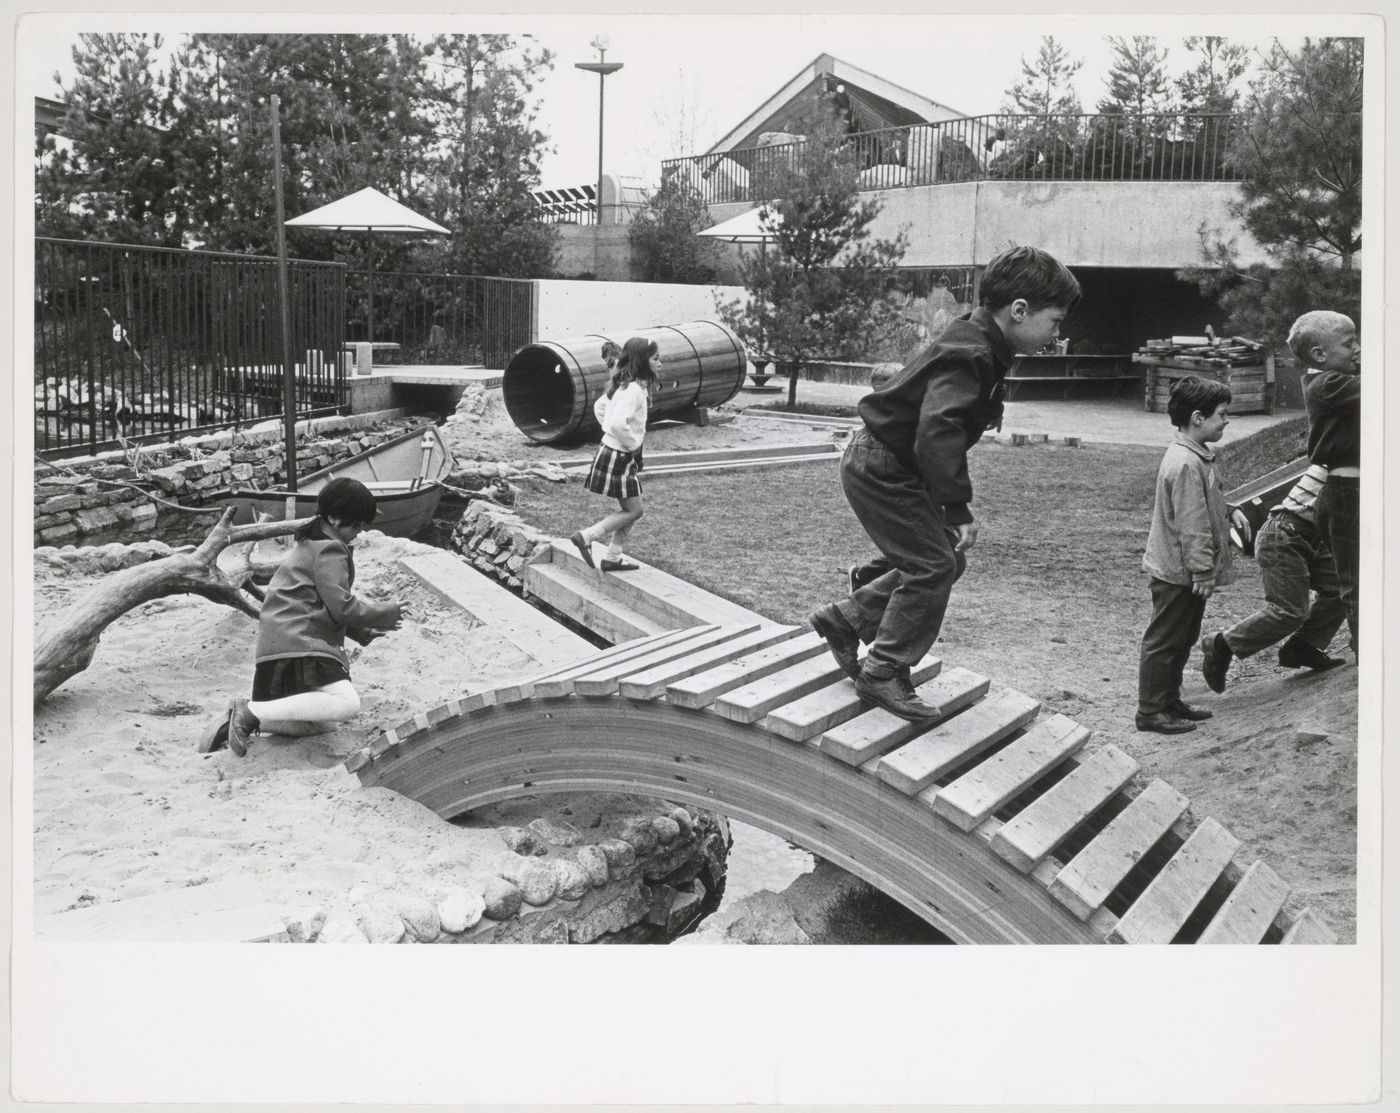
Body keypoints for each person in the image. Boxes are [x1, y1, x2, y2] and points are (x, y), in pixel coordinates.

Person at [808, 244, 1080, 721]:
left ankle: (847, 619)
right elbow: (938, 431)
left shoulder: (980, 343)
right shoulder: (970, 353)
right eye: (1055, 321)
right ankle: (883, 672)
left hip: (891, 462)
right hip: (883, 466)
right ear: (1019, 311)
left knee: (941, 561)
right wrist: (956, 507)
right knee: (933, 565)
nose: (1058, 334)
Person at [208, 477, 405, 756]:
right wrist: (385, 613)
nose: (358, 533)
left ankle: (246, 719)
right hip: (298, 641)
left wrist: (360, 632)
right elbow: (341, 606)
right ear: (335, 518)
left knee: (324, 725)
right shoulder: (331, 549)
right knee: (347, 705)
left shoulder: (312, 542)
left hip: (278, 643)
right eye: (356, 525)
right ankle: (249, 711)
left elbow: (319, 602)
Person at [1136, 376, 1235, 734]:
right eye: (1222, 414)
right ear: (1197, 417)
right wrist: (1203, 571)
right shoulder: (1186, 463)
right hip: (1178, 573)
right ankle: (1150, 711)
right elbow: (1191, 525)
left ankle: (1169, 700)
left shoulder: (1195, 455)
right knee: (1165, 641)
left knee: (1183, 638)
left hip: (1183, 572)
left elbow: (1207, 506)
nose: (1226, 420)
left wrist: (1231, 510)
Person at [1199, 460, 1346, 692]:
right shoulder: (1353, 455)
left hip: (1312, 535)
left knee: (1341, 588)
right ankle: (1222, 644)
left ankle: (1303, 646)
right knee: (1288, 611)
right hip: (1284, 535)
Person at [1294, 310, 1361, 659]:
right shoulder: (1327, 385)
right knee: (1356, 580)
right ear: (1320, 355)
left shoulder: (1336, 380)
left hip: (1352, 492)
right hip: (1347, 493)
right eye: (1349, 343)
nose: (1359, 349)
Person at [569, 337, 661, 574]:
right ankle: (586, 536)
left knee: (631, 510)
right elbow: (620, 425)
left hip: (614, 452)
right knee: (634, 510)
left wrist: (609, 432)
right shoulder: (633, 391)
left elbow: (601, 408)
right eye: (655, 359)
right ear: (643, 360)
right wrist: (633, 443)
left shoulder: (626, 385)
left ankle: (612, 557)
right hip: (619, 455)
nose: (660, 364)